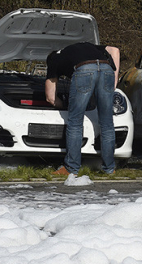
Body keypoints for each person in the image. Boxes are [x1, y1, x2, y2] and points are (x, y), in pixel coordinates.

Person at [45, 42, 120, 176]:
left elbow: (50, 97)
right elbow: (114, 50)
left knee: (75, 122)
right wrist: (114, 79)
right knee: (107, 123)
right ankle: (109, 169)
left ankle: (71, 169)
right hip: (107, 69)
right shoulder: (85, 45)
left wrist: (64, 105)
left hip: (84, 70)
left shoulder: (54, 60)